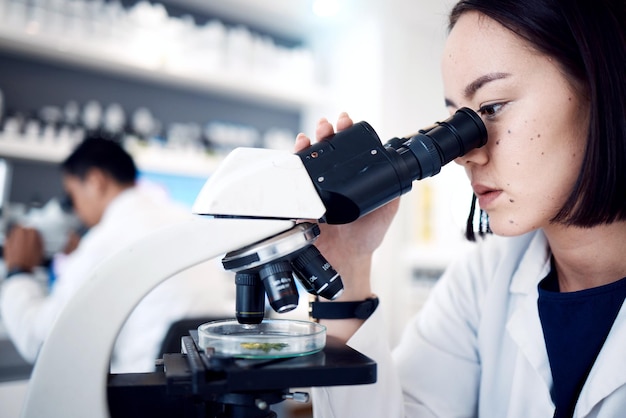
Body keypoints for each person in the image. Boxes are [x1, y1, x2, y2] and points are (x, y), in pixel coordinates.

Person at [295, 0, 625, 417]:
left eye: (491, 107)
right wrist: (349, 272)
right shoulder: (482, 281)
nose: (465, 154)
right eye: (457, 121)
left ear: (601, 88)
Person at [0, 137, 234, 373]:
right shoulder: (182, 217)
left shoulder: (105, 240)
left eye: (72, 196)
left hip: (145, 394)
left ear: (95, 181)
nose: (76, 211)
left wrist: (18, 270)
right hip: (203, 386)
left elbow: (41, 341)